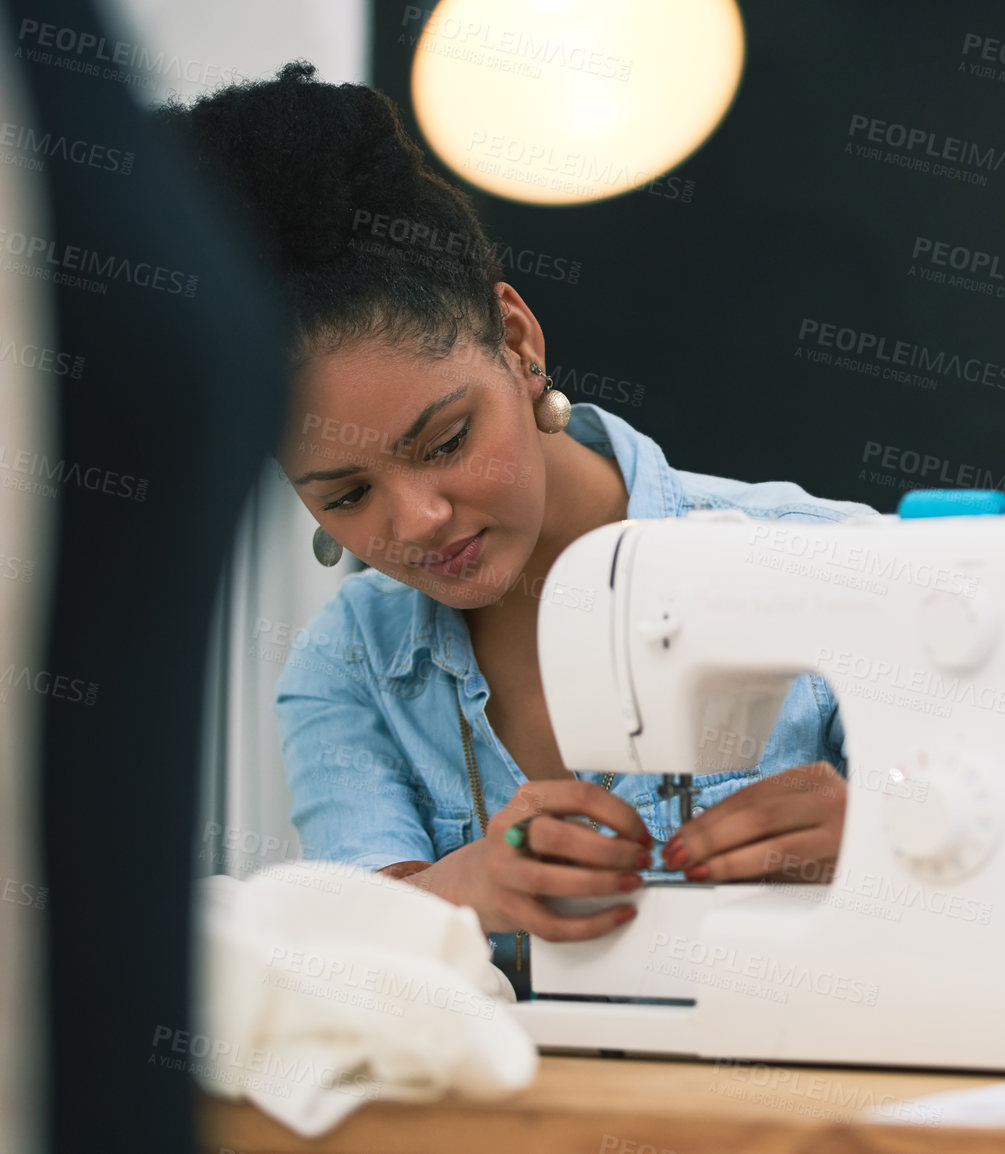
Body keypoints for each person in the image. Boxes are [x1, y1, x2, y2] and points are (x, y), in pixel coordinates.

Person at [158, 63, 873, 964]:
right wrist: (468, 886)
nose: (416, 519)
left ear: (519, 342)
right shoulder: (348, 669)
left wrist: (887, 853)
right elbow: (346, 948)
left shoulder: (835, 565)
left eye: (446, 440)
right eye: (344, 494)